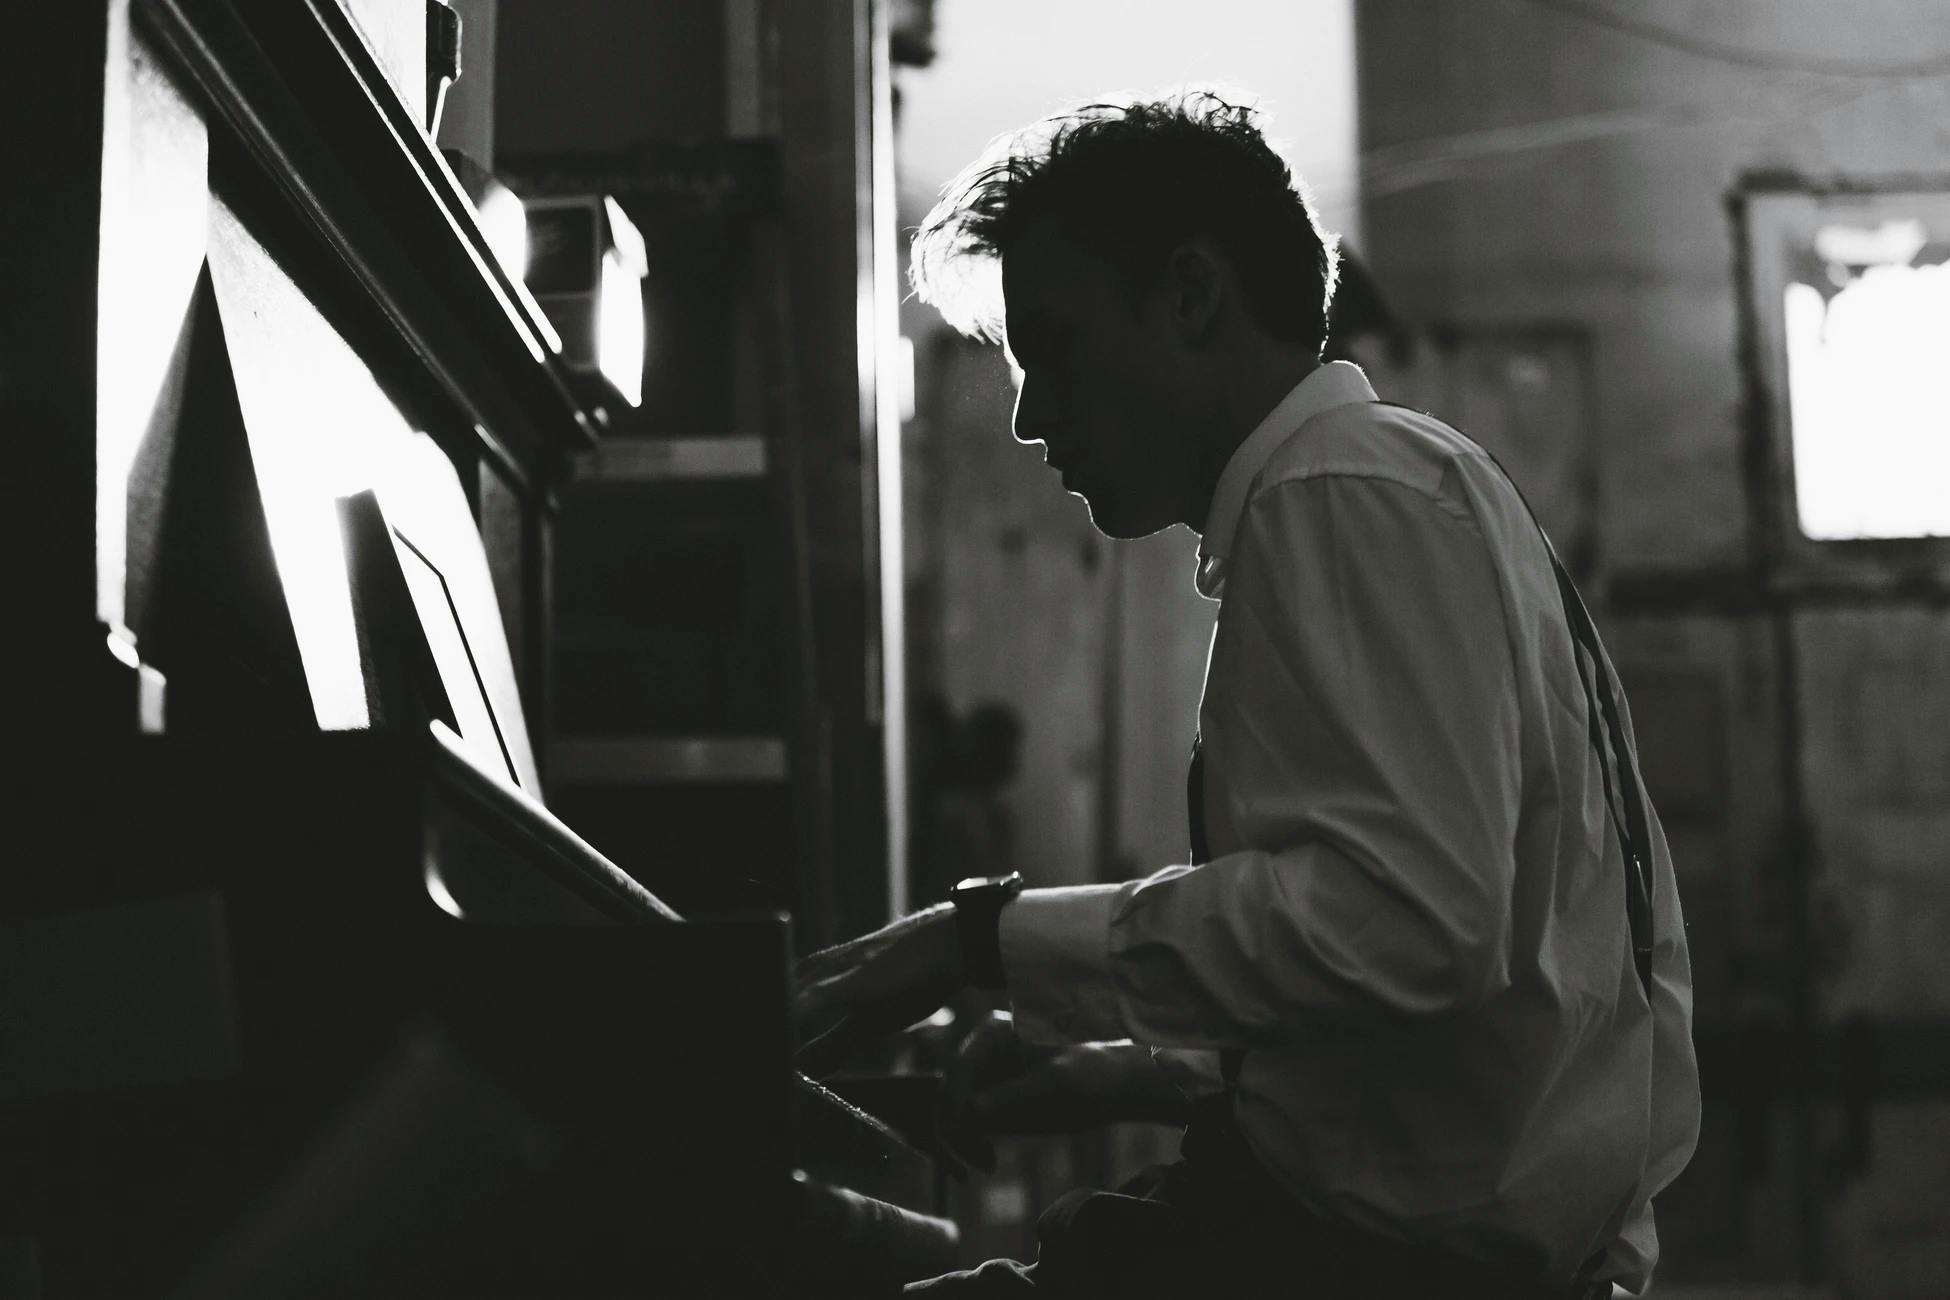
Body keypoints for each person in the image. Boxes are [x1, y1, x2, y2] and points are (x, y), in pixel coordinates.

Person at [795, 89, 1700, 1298]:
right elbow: (1429, 1015)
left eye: (1049, 345)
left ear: (1189, 295)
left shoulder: (1344, 488)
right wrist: (1117, 1070)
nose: (1026, 415)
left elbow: (1407, 924)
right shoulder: (1399, 481)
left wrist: (976, 940)